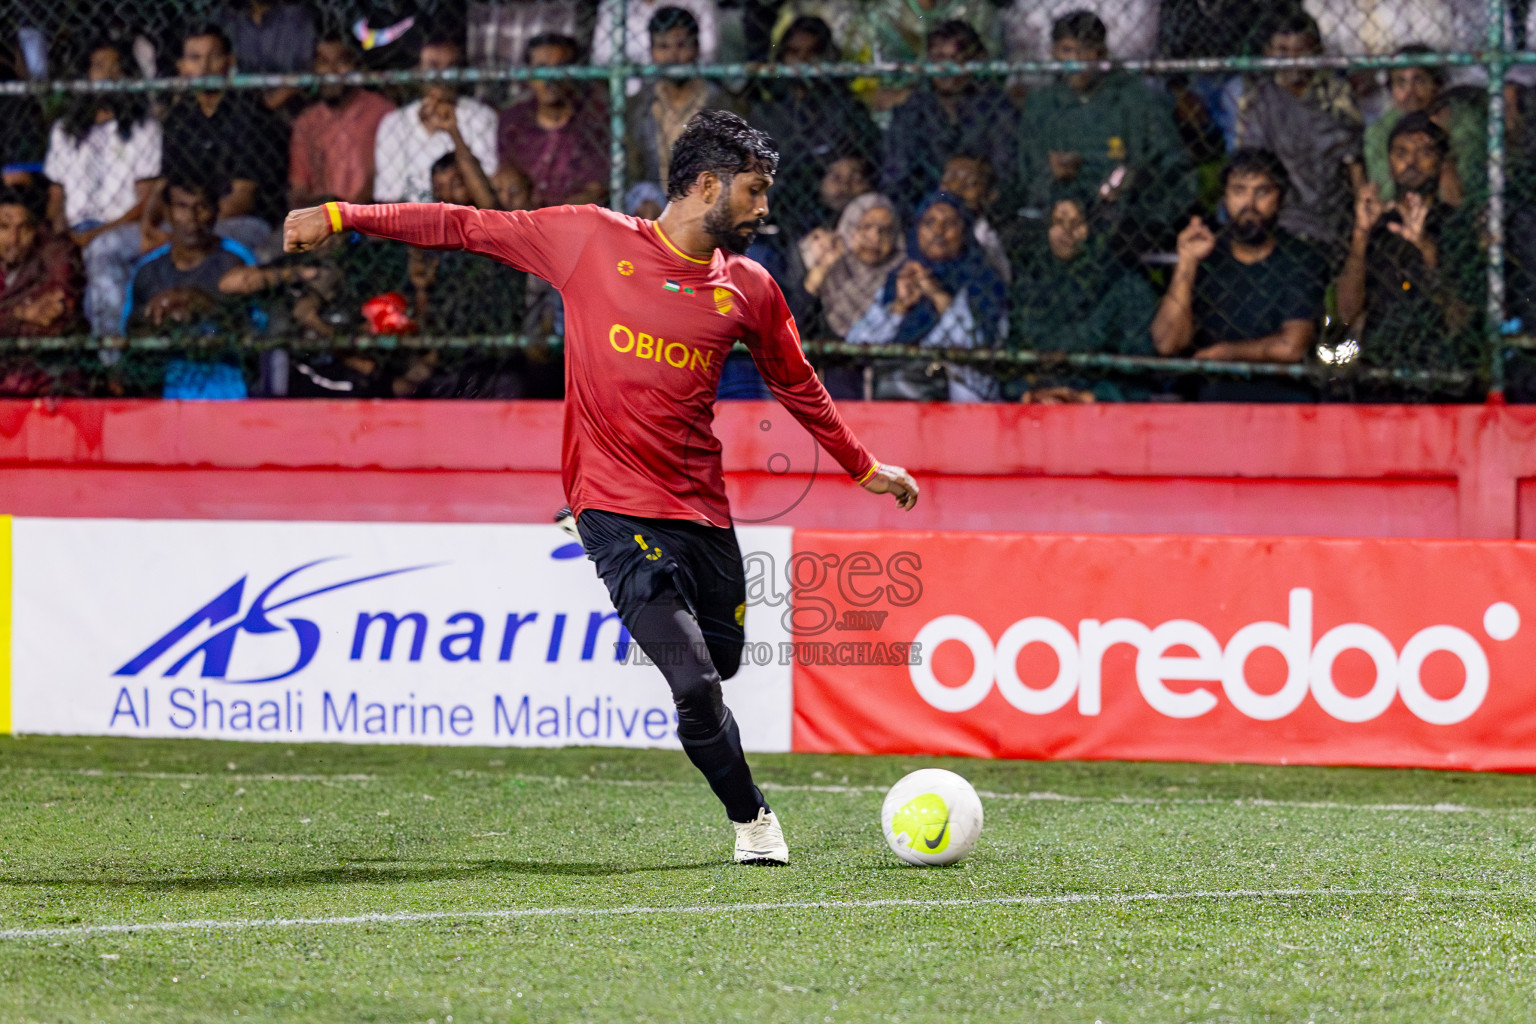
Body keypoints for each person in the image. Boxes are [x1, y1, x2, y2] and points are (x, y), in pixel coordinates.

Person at [282, 110, 917, 863]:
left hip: (701, 513)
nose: (763, 207)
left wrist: (862, 466)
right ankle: (752, 821)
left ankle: (622, 565)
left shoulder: (749, 288)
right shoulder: (588, 239)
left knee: (723, 663)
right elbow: (463, 225)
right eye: (753, 190)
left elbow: (799, 384)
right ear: (707, 185)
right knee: (692, 683)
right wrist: (340, 214)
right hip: (613, 504)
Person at [1015, 10, 1192, 258]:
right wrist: (1051, 173)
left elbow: (1174, 166)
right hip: (1056, 212)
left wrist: (1138, 179)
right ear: (1053, 53)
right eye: (1067, 50)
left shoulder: (1137, 99)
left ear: (1102, 53)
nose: (1077, 61)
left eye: (1086, 50)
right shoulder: (1041, 104)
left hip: (1125, 214)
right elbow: (1024, 174)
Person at [1336, 112, 1483, 374]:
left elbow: (1460, 318)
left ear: (1440, 162)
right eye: (1401, 153)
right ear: (1389, 161)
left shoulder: (1456, 224)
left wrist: (1426, 248)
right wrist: (1360, 234)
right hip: (1379, 363)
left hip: (1441, 363)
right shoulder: (1375, 223)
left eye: (1424, 153)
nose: (1411, 163)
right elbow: (1347, 314)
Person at [1151, 149, 1326, 363]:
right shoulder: (1206, 255)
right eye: (1239, 191)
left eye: (1262, 192)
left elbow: (1290, 347)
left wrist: (1224, 353)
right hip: (1210, 389)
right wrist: (1187, 262)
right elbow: (1167, 343)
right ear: (1224, 197)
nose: (1249, 205)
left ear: (1280, 199)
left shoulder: (1300, 258)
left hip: (1283, 391)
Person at [41, 40, 162, 336]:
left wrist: (95, 234)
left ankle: (107, 356)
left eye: (115, 68)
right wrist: (64, 233)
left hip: (122, 227)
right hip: (75, 228)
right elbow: (56, 199)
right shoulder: (63, 131)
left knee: (103, 250)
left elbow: (145, 202)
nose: (107, 76)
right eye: (98, 67)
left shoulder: (143, 128)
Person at [846, 190, 1007, 401]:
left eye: (949, 224)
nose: (938, 232)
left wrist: (939, 296)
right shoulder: (900, 279)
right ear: (917, 230)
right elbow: (854, 346)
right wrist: (899, 307)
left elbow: (975, 349)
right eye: (929, 223)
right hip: (898, 398)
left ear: (964, 232)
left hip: (962, 400)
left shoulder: (983, 283)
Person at [1232, 12, 1363, 255]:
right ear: (1268, 53)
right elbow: (1252, 167)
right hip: (1283, 217)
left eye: (1301, 51)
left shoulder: (1335, 95)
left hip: (1334, 212)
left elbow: (1353, 162)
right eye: (1283, 51)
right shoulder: (1259, 102)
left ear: (1317, 52)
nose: (1293, 60)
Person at [152, 26, 290, 255]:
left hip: (243, 220)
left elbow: (243, 197)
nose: (205, 68)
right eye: (195, 58)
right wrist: (149, 224)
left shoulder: (251, 113)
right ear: (182, 67)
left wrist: (190, 230)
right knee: (111, 247)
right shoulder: (179, 117)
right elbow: (165, 184)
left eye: (214, 57)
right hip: (187, 222)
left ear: (229, 62)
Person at [746, 17, 879, 237]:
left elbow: (861, 162)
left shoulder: (847, 110)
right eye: (794, 53)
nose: (802, 62)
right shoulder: (767, 114)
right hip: (779, 210)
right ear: (781, 58)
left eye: (813, 53)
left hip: (834, 210)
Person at [881, 21, 1015, 213]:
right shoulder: (914, 108)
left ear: (972, 61)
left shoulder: (995, 104)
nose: (945, 68)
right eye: (938, 58)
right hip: (925, 208)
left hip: (982, 204)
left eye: (954, 59)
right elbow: (897, 174)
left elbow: (1006, 168)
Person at [1013, 193, 1156, 361]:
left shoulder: (1120, 280)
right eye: (1058, 222)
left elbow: (1135, 351)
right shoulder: (1034, 275)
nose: (1067, 231)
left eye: (1076, 223)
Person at [372, 34, 498, 204]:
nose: (443, 76)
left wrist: (454, 133)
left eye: (450, 68)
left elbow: (488, 192)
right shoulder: (394, 123)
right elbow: (387, 197)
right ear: (417, 71)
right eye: (433, 66)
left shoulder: (482, 117)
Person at [123, 176, 256, 333]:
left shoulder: (238, 260)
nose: (192, 218)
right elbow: (129, 333)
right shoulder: (147, 269)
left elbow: (256, 330)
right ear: (167, 213)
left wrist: (204, 305)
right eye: (182, 207)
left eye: (201, 207)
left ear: (215, 211)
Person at [626, 9, 739, 192]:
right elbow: (631, 171)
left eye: (682, 45)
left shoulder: (721, 104)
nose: (673, 55)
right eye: (663, 46)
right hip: (654, 206)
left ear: (696, 48)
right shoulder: (638, 106)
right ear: (652, 52)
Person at [496, 34, 609, 209]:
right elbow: (506, 180)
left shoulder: (594, 121)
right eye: (541, 69)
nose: (549, 79)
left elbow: (596, 191)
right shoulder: (513, 121)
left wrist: (547, 219)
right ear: (529, 75)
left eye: (559, 68)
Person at [1363, 46, 1483, 207]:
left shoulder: (1462, 119)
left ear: (1437, 85)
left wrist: (1445, 145)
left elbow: (1471, 181)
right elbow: (1384, 191)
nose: (1410, 92)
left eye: (1419, 81)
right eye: (1401, 82)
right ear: (1391, 90)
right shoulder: (1380, 130)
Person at [288, 33, 396, 208]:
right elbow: (299, 186)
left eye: (341, 62)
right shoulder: (306, 122)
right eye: (323, 62)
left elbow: (381, 180)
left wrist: (347, 217)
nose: (331, 71)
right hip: (321, 219)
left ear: (356, 67)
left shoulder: (383, 113)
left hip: (371, 216)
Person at [805, 190, 906, 339]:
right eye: (866, 227)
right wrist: (814, 283)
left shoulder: (903, 275)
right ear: (849, 229)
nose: (875, 238)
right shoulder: (821, 262)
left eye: (885, 231)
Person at [0, 183, 85, 337]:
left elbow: (53, 320)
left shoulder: (55, 255)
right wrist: (20, 313)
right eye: (4, 227)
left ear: (36, 229)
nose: (13, 239)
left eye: (24, 228)